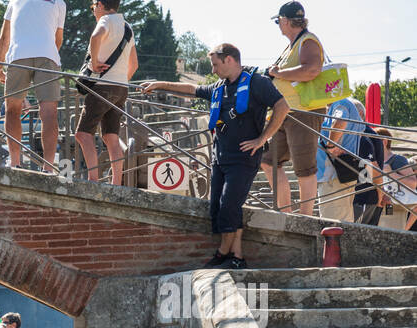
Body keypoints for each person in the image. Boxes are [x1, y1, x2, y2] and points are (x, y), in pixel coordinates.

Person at [143, 44, 288, 269]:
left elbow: (282, 106)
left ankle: (221, 254)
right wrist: (160, 84)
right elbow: (191, 89)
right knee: (219, 208)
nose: (213, 69)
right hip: (220, 157)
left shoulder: (257, 82)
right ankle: (237, 257)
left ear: (229, 60)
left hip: (243, 157)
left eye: (215, 64)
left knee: (228, 206)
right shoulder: (219, 87)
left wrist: (262, 139)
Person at [261, 2, 325, 216]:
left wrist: (279, 74)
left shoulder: (308, 41)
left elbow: (312, 70)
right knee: (268, 162)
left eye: (278, 21)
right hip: (285, 112)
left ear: (286, 21)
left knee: (304, 168)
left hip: (304, 112)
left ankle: (305, 217)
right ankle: (287, 213)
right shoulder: (294, 44)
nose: (278, 25)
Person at [0, 0, 66, 172]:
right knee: (49, 112)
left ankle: (15, 162)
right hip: (47, 55)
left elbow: (5, 37)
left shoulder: (15, 1)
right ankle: (48, 167)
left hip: (18, 55)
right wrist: (46, 55)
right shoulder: (59, 3)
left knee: (12, 109)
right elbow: (58, 39)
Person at [74, 0, 137, 187]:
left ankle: (93, 180)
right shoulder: (127, 27)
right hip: (121, 88)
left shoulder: (105, 21)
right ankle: (116, 182)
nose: (93, 10)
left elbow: (95, 37)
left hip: (103, 86)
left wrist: (94, 63)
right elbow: (134, 64)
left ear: (101, 4)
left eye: (94, 6)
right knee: (111, 136)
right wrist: (120, 80)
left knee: (83, 134)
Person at [316, 96, 366, 221]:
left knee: (332, 225)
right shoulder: (345, 104)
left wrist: (331, 145)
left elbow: (340, 120)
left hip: (333, 176)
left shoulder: (341, 102)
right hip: (340, 174)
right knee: (343, 221)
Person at [375, 129, 417, 230]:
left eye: (374, 141)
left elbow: (413, 183)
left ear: (384, 142)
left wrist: (392, 174)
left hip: (395, 209)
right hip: (379, 207)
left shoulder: (398, 160)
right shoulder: (375, 160)